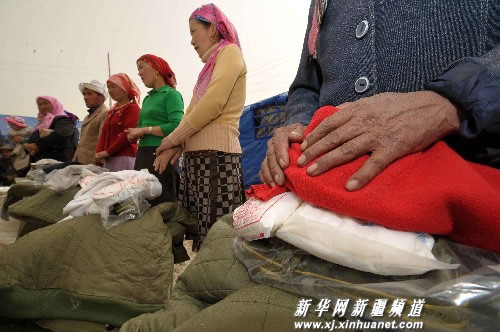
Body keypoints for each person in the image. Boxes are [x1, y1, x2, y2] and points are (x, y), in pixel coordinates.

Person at [260, 0, 500, 191]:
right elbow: (307, 83)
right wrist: (296, 124)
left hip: (467, 187)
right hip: (328, 194)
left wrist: (449, 105)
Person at [154, 3, 247, 251]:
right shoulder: (209, 68)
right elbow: (193, 112)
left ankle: (219, 288)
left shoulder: (230, 53)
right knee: (203, 237)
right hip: (200, 158)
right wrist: (180, 144)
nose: (191, 41)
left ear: (213, 30)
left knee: (219, 239)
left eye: (194, 32)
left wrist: (172, 139)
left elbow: (213, 105)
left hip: (217, 159)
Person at [125, 54, 184, 205]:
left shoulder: (171, 94)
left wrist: (145, 130)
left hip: (161, 152)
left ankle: (168, 228)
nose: (139, 73)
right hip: (143, 153)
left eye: (142, 67)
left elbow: (177, 126)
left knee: (163, 199)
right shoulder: (147, 98)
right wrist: (134, 133)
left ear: (156, 68)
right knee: (144, 198)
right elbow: (141, 126)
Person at [95, 73, 141, 171]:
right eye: (108, 88)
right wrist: (99, 153)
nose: (110, 91)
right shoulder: (113, 111)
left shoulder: (132, 108)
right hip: (109, 157)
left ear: (125, 88)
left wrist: (108, 152)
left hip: (124, 157)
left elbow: (127, 134)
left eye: (113, 87)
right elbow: (104, 133)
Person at [24, 96, 76, 162]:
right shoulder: (41, 124)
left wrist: (38, 145)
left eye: (45, 103)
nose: (43, 107)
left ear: (54, 104)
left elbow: (61, 135)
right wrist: (27, 146)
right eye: (40, 104)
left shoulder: (62, 120)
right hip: (40, 163)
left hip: (57, 163)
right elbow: (33, 140)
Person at [73, 80, 109, 164]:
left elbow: (102, 141)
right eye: (84, 94)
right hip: (79, 162)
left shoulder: (105, 113)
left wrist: (96, 162)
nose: (85, 97)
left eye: (89, 94)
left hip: (92, 164)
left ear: (101, 97)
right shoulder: (86, 117)